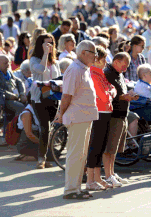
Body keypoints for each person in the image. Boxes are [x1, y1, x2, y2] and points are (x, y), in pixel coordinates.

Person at [54, 40, 98, 200]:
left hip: (84, 117)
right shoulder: (74, 69)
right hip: (77, 117)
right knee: (75, 154)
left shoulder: (83, 68)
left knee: (81, 155)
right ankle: (71, 190)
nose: (96, 56)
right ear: (84, 53)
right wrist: (60, 114)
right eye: (93, 52)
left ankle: (77, 188)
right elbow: (66, 95)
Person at [104, 52, 137, 187]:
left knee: (115, 148)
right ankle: (108, 175)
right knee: (109, 148)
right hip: (114, 114)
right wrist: (124, 97)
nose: (125, 69)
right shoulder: (108, 73)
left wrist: (129, 95)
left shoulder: (118, 73)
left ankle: (111, 173)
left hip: (122, 114)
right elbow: (109, 94)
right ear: (116, 61)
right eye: (124, 66)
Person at [29, 33, 61, 169]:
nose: (50, 46)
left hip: (53, 98)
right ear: (40, 45)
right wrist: (45, 54)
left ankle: (47, 156)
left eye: (51, 43)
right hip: (39, 98)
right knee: (44, 127)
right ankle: (41, 158)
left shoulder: (55, 62)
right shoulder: (34, 59)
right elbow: (41, 70)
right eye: (46, 43)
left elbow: (58, 77)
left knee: (51, 128)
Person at [86, 46, 115, 190]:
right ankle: (90, 180)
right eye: (103, 59)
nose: (105, 62)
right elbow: (104, 95)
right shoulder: (93, 74)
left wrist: (109, 92)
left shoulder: (101, 73)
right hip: (99, 113)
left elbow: (112, 88)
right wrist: (110, 93)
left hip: (105, 112)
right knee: (95, 147)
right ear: (96, 60)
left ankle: (97, 177)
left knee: (101, 146)